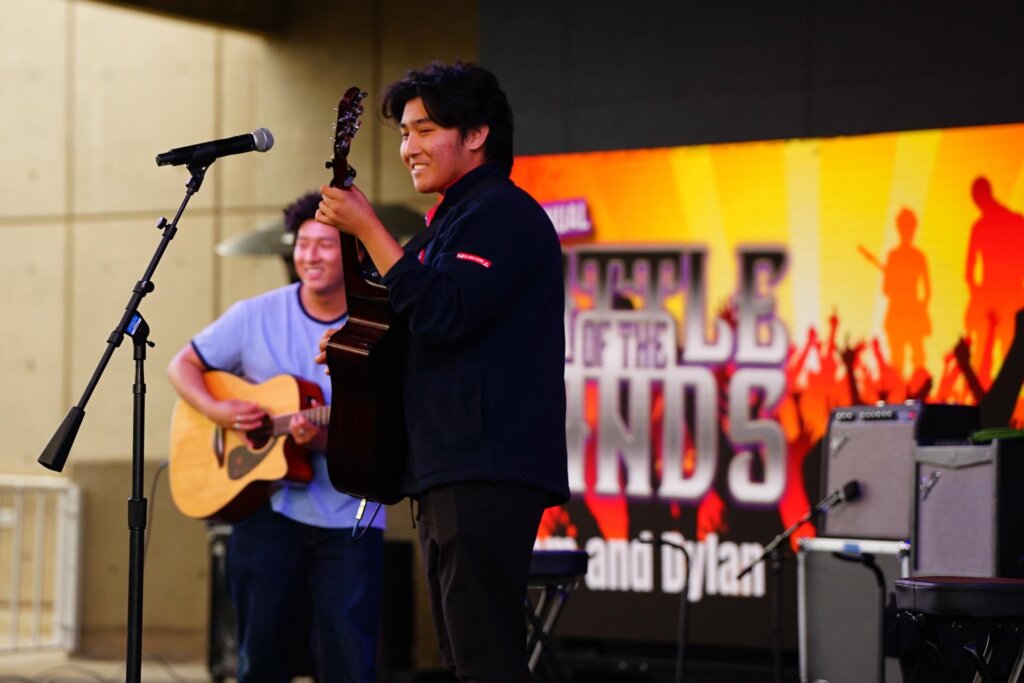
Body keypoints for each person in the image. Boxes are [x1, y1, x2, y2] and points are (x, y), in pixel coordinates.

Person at [316, 61, 570, 683]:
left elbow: (447, 309)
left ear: (477, 133)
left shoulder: (500, 214)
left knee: (485, 656)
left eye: (424, 130)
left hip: (485, 465)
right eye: (404, 134)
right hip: (448, 467)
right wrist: (360, 348)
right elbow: (430, 326)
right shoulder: (451, 220)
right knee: (464, 655)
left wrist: (369, 227)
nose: (408, 149)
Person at [166, 192, 383, 683]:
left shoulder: (379, 326)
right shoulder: (254, 315)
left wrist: (328, 442)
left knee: (350, 659)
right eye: (303, 244)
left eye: (326, 245)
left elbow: (393, 427)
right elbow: (181, 365)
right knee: (259, 658)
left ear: (355, 254)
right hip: (265, 510)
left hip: (350, 517)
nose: (310, 255)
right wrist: (219, 410)